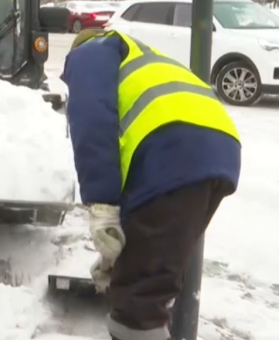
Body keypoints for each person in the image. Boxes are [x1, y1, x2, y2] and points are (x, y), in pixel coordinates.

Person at [62, 29, 241, 340]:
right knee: (151, 276)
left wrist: (101, 205)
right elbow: (143, 211)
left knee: (138, 303)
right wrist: (113, 259)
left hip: (174, 146)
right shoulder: (142, 59)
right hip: (218, 147)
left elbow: (92, 129)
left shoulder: (90, 51)